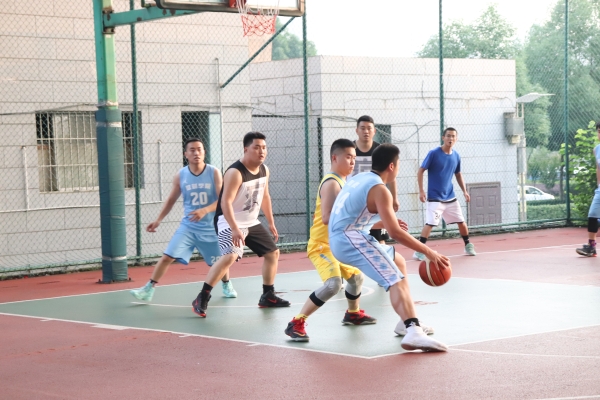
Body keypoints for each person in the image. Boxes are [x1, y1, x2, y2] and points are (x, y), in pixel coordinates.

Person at [328, 143, 449, 352]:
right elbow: (395, 233)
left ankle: (405, 321)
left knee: (398, 261)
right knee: (395, 279)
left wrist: (383, 222)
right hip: (350, 240)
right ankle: (413, 331)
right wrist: (429, 252)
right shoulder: (380, 190)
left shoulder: (359, 178)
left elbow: (353, 214)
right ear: (392, 166)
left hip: (342, 236)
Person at [285, 139, 377, 342]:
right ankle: (296, 322)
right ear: (334, 158)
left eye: (354, 157)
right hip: (322, 245)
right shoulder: (332, 183)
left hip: (337, 244)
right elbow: (327, 218)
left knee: (356, 278)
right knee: (333, 284)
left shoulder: (343, 182)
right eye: (348, 157)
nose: (352, 162)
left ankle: (353, 314)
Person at [191, 132, 290, 317]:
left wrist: (271, 222)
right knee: (230, 256)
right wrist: (235, 229)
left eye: (264, 147)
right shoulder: (235, 172)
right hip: (228, 220)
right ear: (246, 149)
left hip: (251, 221)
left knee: (272, 253)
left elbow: (265, 196)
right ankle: (202, 297)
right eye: (256, 147)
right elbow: (225, 202)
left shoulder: (264, 170)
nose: (261, 151)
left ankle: (268, 295)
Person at [130, 138, 237, 302]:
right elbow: (171, 200)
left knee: (220, 261)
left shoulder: (213, 172)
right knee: (167, 256)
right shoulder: (181, 175)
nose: (196, 153)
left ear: (204, 152)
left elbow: (223, 200)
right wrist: (158, 220)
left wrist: (204, 210)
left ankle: (226, 284)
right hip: (188, 227)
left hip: (211, 228)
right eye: (192, 150)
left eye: (199, 149)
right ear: (185, 154)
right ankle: (148, 288)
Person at [413, 127, 476, 261]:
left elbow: (458, 174)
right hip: (435, 197)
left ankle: (467, 245)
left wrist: (464, 191)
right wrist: (421, 190)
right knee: (430, 223)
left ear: (456, 139)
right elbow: (421, 171)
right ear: (443, 138)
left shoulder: (456, 156)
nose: (450, 138)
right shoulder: (433, 153)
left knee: (461, 222)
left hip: (450, 196)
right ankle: (419, 250)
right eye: (448, 136)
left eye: (453, 136)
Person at [350, 115, 399, 245]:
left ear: (374, 131)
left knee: (380, 240)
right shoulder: (350, 150)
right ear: (357, 130)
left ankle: (383, 256)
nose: (366, 131)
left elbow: (391, 176)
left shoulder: (381, 151)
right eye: (362, 128)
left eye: (369, 128)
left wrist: (394, 198)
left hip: (375, 201)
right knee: (355, 237)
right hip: (355, 201)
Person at [576, 121, 600, 257]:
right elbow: (598, 168)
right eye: (599, 132)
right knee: (592, 215)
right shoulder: (597, 149)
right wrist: (599, 185)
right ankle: (591, 247)